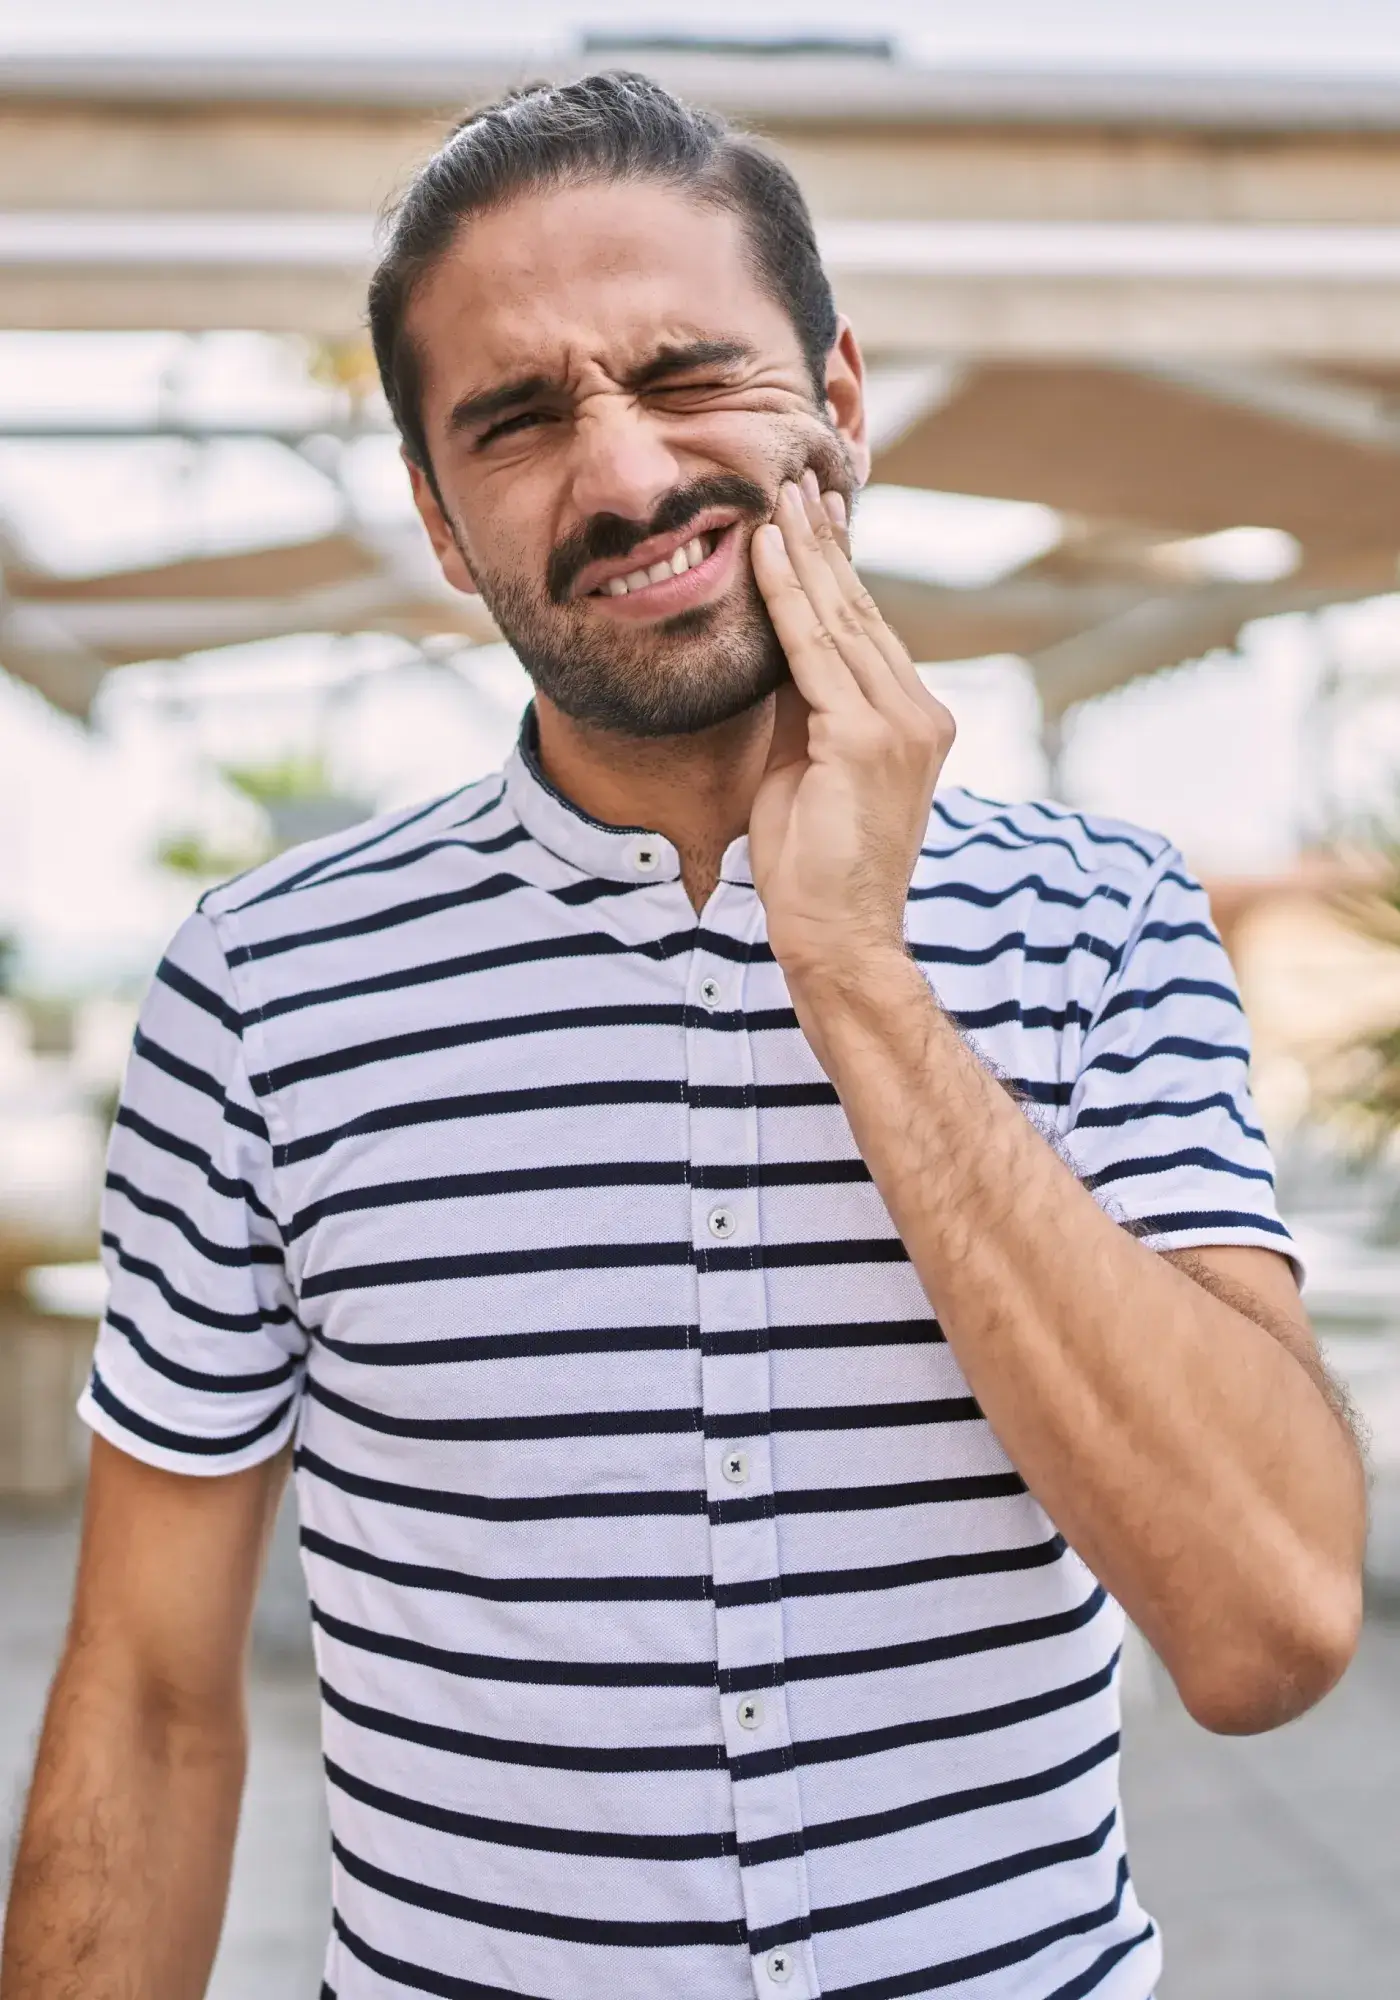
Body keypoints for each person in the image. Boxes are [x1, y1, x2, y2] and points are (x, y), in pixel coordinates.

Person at [1, 71, 1366, 2000]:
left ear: (842, 398)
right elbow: (148, 1701)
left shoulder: (1107, 919)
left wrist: (858, 970)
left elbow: (1269, 1627)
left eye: (690, 375)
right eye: (519, 419)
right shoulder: (263, 986)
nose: (628, 478)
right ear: (439, 519)